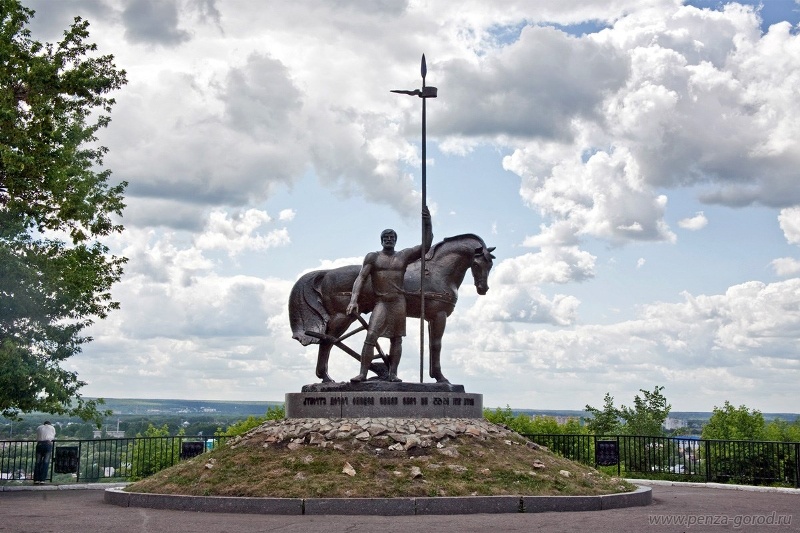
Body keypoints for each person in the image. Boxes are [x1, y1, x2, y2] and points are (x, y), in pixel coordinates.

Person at [347, 206, 433, 382]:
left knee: (397, 339)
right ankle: (363, 373)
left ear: (395, 240)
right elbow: (361, 278)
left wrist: (427, 222)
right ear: (381, 241)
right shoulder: (373, 257)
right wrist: (353, 300)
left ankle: (393, 373)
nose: (389, 240)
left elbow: (426, 245)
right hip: (382, 303)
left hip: (398, 302)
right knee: (371, 336)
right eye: (385, 237)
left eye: (392, 237)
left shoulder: (403, 256)